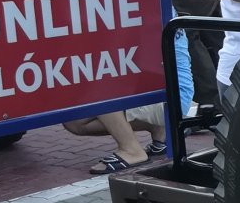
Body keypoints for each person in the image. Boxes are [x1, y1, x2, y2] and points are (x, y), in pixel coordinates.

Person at [65, 30, 194, 173]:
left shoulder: (141, 15)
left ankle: (131, 150)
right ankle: (161, 130)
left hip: (168, 98)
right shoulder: (158, 10)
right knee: (74, 121)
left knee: (100, 92)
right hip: (175, 95)